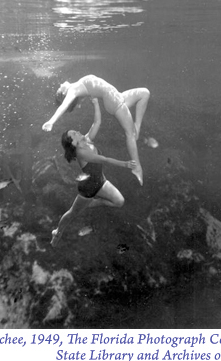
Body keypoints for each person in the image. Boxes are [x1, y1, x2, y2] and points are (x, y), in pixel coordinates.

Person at [51, 97, 137, 247]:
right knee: (72, 213)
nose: (78, 132)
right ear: (73, 143)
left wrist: (96, 103)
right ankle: (57, 232)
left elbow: (97, 122)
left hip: (101, 182)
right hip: (88, 189)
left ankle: (90, 204)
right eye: (74, 134)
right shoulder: (81, 153)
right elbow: (104, 159)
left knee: (119, 202)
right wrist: (125, 164)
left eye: (76, 131)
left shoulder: (87, 140)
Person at [42, 74, 150, 185]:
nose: (60, 85)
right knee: (130, 134)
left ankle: (136, 128)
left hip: (117, 96)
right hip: (113, 101)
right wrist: (52, 121)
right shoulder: (73, 90)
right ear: (64, 94)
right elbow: (64, 105)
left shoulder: (78, 84)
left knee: (145, 93)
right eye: (59, 89)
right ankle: (137, 167)